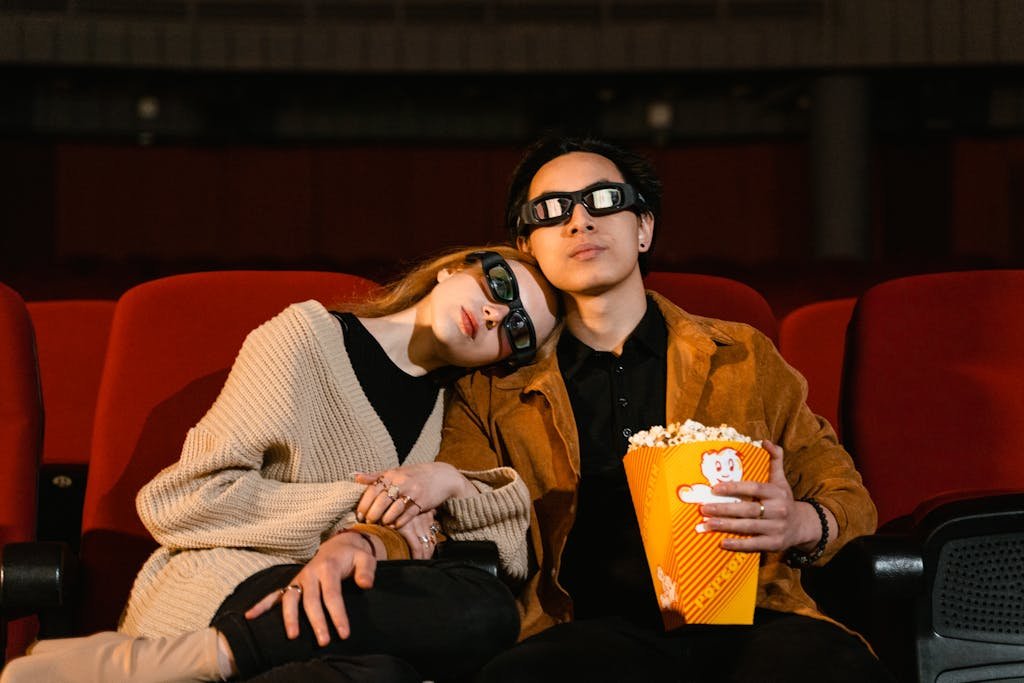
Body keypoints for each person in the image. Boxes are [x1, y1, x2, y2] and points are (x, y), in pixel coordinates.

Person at [431, 137, 897, 681]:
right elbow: (466, 518)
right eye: (552, 211)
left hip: (751, 619)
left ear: (644, 228)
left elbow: (848, 497)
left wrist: (801, 523)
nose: (580, 222)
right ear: (527, 246)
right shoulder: (491, 386)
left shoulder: (741, 355)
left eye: (603, 200)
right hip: (579, 629)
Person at [1, 246, 560, 683]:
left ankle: (194, 663)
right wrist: (359, 504)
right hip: (233, 581)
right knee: (471, 621)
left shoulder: (452, 410)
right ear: (452, 270)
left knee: (444, 638)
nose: (492, 314)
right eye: (499, 285)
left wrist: (449, 479)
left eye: (515, 331)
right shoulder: (306, 338)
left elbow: (504, 555)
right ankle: (194, 652)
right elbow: (183, 501)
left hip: (345, 604)